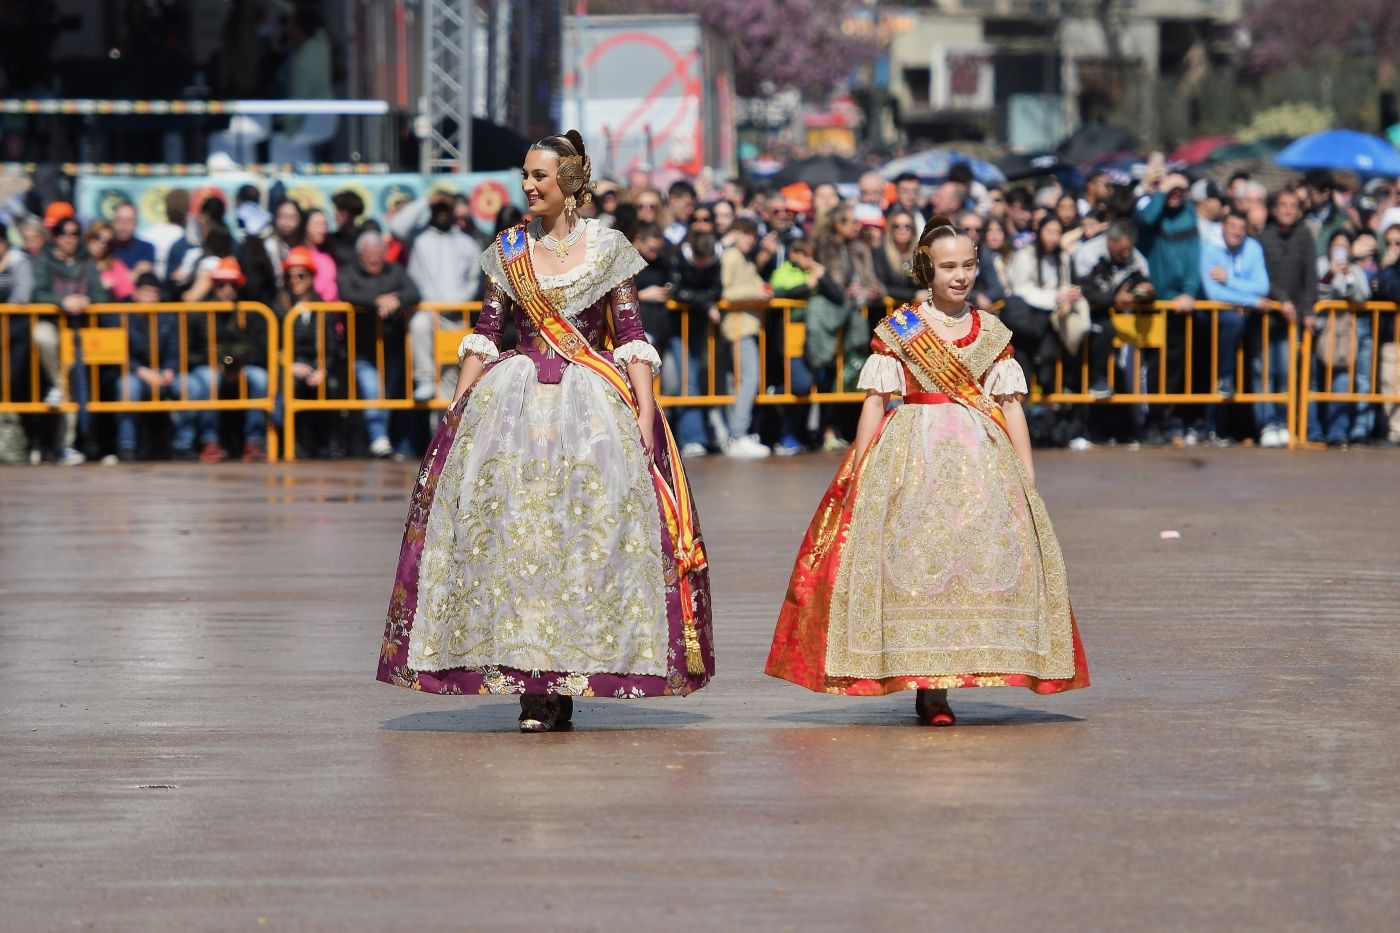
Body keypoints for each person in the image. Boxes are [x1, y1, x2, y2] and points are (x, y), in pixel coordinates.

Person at [375, 129, 714, 731]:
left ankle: (572, 672)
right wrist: (457, 407)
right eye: (525, 176)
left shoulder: (610, 248)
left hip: (591, 409)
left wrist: (643, 408)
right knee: (519, 539)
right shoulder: (509, 248)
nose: (528, 186)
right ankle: (533, 685)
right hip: (514, 404)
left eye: (540, 177)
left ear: (571, 184)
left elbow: (631, 332)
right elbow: (487, 330)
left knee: (585, 538)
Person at [765, 215, 1089, 725]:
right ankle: (928, 684)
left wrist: (1027, 474)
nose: (959, 276)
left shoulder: (993, 330)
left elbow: (1010, 404)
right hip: (912, 457)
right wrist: (860, 463)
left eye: (967, 265)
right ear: (927, 270)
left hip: (982, 462)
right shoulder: (903, 328)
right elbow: (876, 401)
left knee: (972, 564)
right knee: (917, 567)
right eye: (947, 267)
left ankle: (955, 676)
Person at [33, 216, 112, 464]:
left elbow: (102, 296)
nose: (70, 237)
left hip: (81, 330)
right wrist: (62, 302)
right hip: (54, 325)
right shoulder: (44, 259)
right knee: (41, 336)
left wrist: (87, 301)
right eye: (65, 233)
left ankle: (67, 445)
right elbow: (37, 293)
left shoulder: (87, 261)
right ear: (56, 236)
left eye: (75, 233)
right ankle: (57, 387)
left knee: (73, 380)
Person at [806, 202, 884, 450]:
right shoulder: (822, 248)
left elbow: (874, 282)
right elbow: (829, 284)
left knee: (852, 375)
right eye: (849, 221)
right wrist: (844, 291)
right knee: (828, 375)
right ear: (836, 224)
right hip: (830, 318)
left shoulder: (860, 248)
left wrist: (870, 291)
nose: (855, 226)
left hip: (855, 320)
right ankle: (827, 430)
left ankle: (850, 430)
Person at [114, 272, 215, 462]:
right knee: (127, 387)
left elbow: (176, 350)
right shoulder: (122, 315)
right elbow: (118, 353)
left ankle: (183, 445)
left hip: (164, 373)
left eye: (154, 293)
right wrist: (141, 371)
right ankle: (127, 445)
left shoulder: (168, 316)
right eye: (145, 293)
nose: (149, 298)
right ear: (136, 294)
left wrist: (170, 370)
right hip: (137, 373)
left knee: (192, 386)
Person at [1256, 190, 1316, 448]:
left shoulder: (1305, 237)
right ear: (1274, 208)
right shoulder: (1263, 238)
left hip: (1293, 320)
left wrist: (1309, 310)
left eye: (1293, 206)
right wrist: (1281, 300)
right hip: (1266, 315)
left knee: (1285, 372)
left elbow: (1310, 276)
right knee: (1263, 372)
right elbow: (1261, 277)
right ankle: (1267, 424)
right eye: (1283, 205)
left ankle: (1283, 421)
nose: (1288, 210)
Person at [405, 198, 480, 401]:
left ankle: (446, 430)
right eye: (438, 209)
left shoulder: (467, 242)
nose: (442, 213)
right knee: (418, 325)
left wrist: (459, 301)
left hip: (457, 315)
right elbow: (396, 227)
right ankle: (424, 379)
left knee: (451, 378)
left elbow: (473, 279)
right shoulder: (419, 238)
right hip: (428, 312)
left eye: (446, 208)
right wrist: (425, 200)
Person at [1200, 212, 1270, 400]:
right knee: (1232, 321)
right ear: (1223, 226)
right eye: (1232, 226)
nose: (1237, 232)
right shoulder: (1209, 249)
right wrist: (1252, 301)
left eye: (1241, 228)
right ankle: (1225, 377)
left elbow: (1262, 287)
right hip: (1210, 320)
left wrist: (1229, 280)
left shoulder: (1253, 247)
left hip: (1244, 320)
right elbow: (1214, 294)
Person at [1312, 229, 1373, 446]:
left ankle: (1337, 432)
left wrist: (1347, 276)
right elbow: (1316, 292)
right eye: (1336, 246)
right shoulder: (1318, 264)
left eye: (1344, 247)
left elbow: (1363, 296)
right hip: (1317, 332)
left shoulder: (1355, 270)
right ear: (1328, 247)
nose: (1340, 251)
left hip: (1344, 335)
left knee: (1342, 381)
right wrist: (1330, 274)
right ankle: (1314, 431)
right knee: (1314, 383)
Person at [718, 217, 772, 459]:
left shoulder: (743, 258)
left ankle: (736, 434)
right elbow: (727, 291)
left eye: (753, 235)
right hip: (739, 327)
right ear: (736, 233)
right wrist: (756, 292)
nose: (750, 239)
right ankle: (738, 435)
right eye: (746, 234)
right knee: (749, 379)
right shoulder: (731, 257)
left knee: (740, 381)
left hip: (745, 326)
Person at [110, 203, 155, 278]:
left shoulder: (146, 248)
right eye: (119, 220)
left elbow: (142, 278)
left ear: (136, 224)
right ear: (113, 223)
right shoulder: (105, 247)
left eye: (129, 221)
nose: (123, 225)